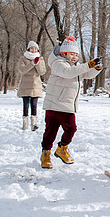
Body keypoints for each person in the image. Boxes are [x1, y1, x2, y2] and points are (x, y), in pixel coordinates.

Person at [40, 35, 102, 169]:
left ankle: (62, 148)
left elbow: (85, 74)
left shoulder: (76, 66)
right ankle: (46, 153)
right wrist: (88, 65)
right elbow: (68, 73)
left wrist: (95, 69)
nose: (74, 57)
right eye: (71, 54)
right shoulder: (57, 63)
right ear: (63, 53)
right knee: (51, 132)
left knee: (71, 129)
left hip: (68, 107)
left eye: (76, 54)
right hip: (54, 105)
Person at [17, 41, 46, 131]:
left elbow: (42, 72)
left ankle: (34, 124)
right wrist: (32, 63)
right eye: (31, 48)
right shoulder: (23, 58)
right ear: (28, 49)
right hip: (25, 85)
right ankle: (25, 123)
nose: (33, 50)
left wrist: (37, 63)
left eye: (35, 48)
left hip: (35, 85)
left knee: (34, 105)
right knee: (25, 104)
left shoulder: (40, 59)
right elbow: (23, 70)